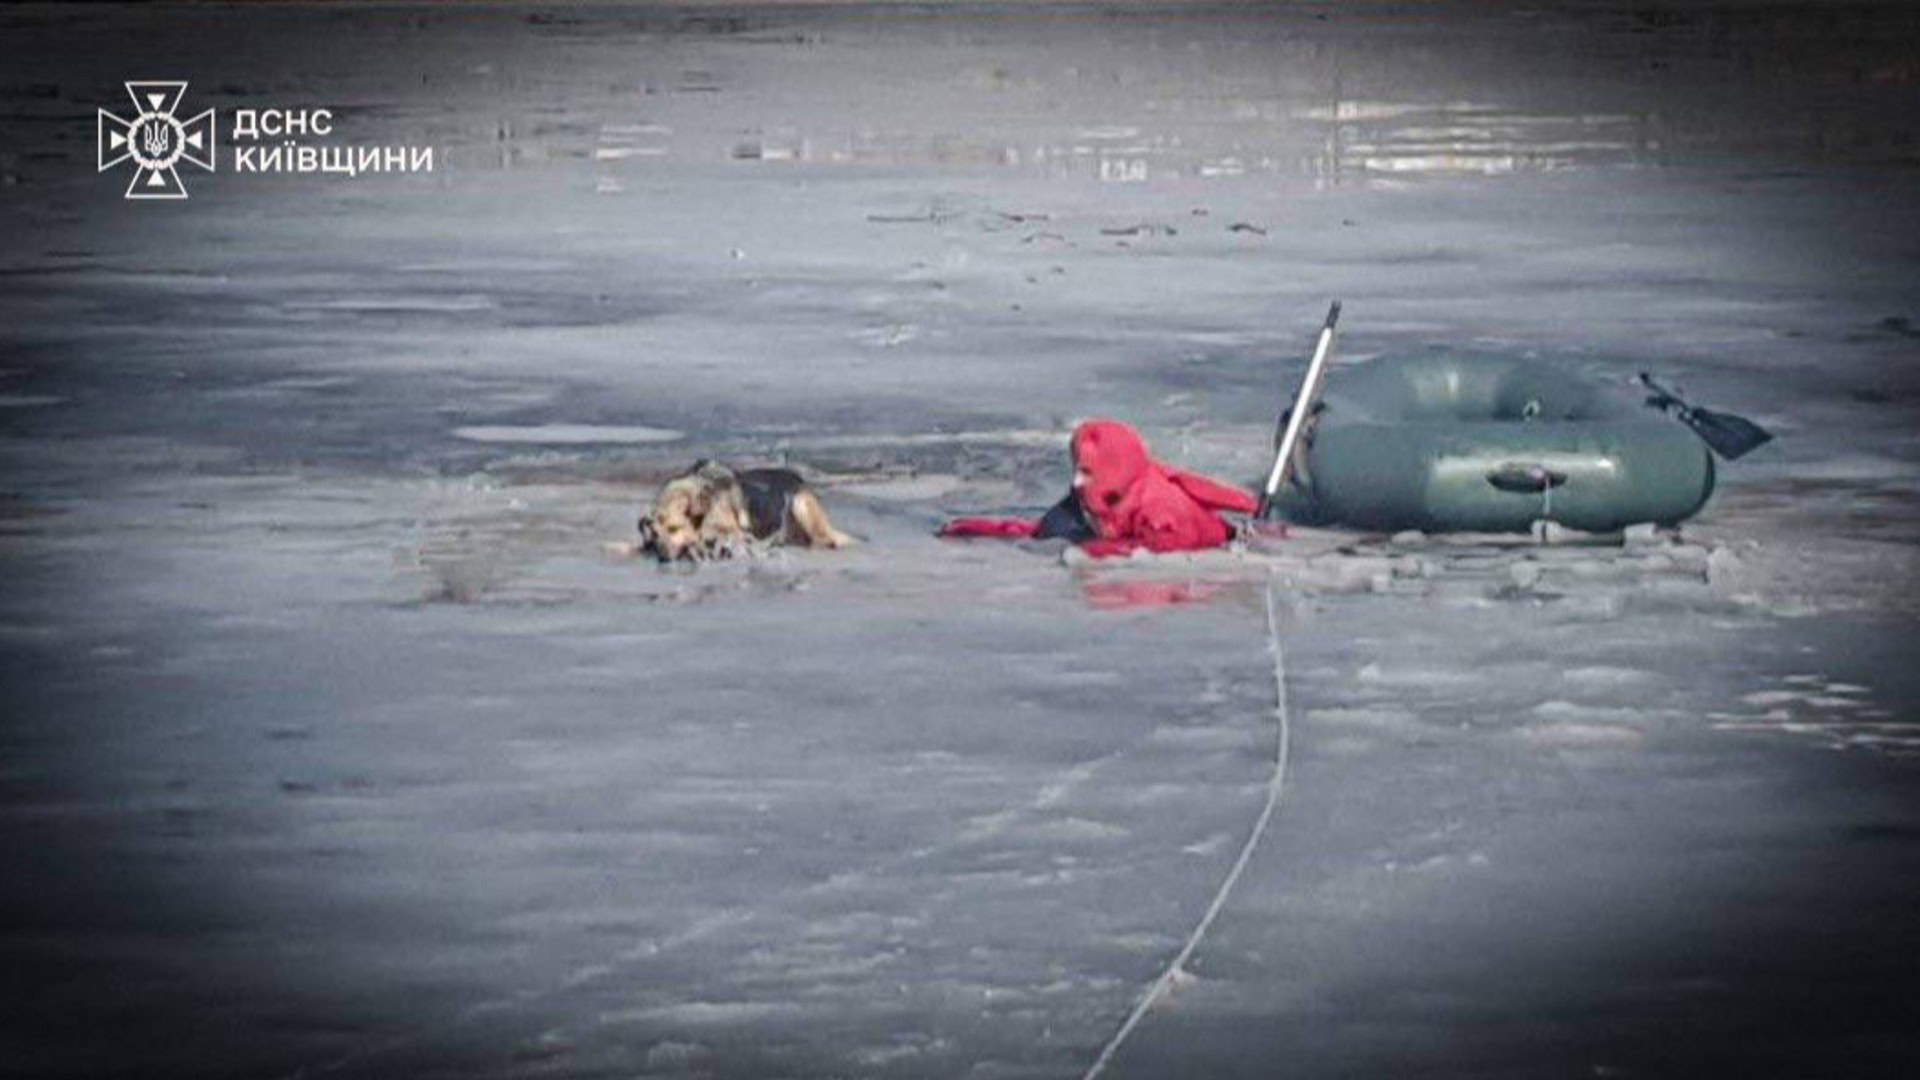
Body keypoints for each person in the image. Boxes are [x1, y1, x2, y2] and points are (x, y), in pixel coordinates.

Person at [939, 419, 1257, 557]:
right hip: (1108, 521)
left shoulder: (1160, 508)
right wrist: (980, 528)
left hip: (1202, 540)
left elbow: (1163, 546)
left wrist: (1096, 552)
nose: (1077, 482)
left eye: (1087, 473)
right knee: (1052, 530)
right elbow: (1040, 529)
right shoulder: (1095, 495)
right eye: (1078, 470)